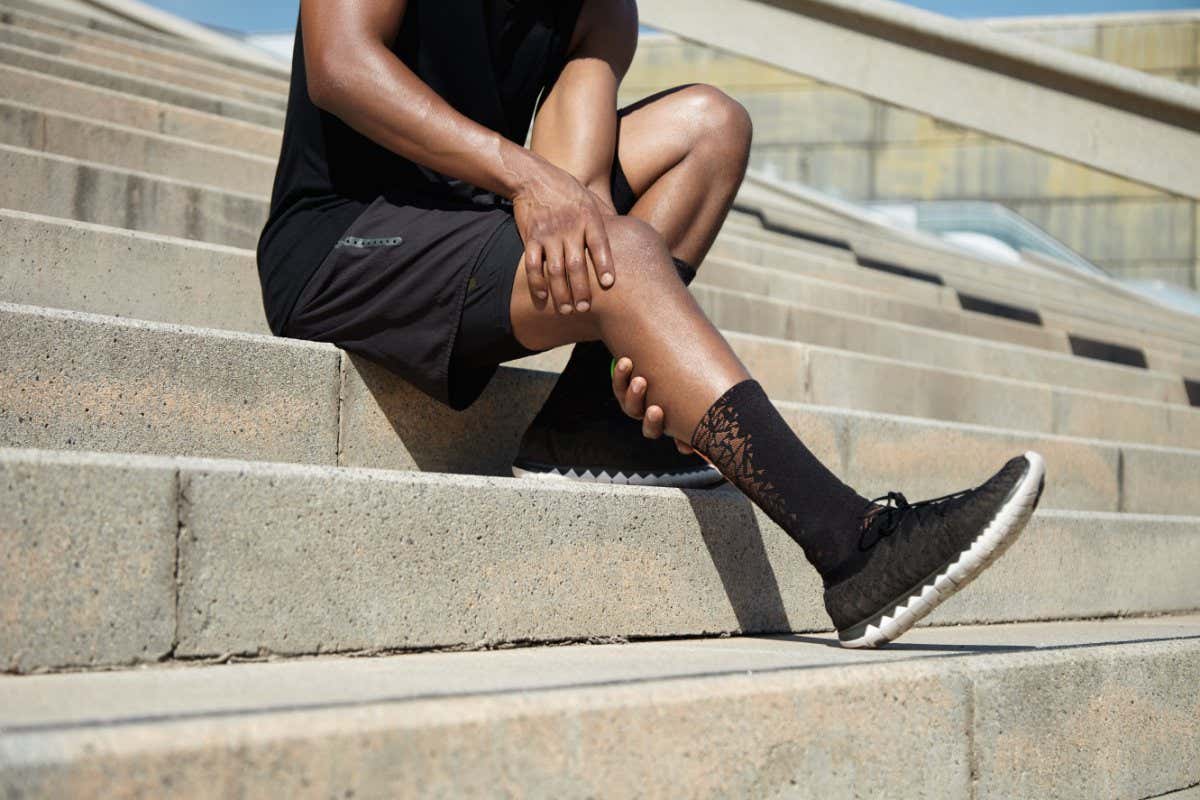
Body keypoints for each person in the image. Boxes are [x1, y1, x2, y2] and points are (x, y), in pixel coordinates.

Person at [257, 0, 1046, 648]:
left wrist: (634, 329)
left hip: (471, 229)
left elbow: (582, 185)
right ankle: (854, 547)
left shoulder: (601, 10)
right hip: (344, 242)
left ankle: (591, 420)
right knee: (625, 250)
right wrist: (523, 176)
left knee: (710, 125)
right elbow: (339, 63)